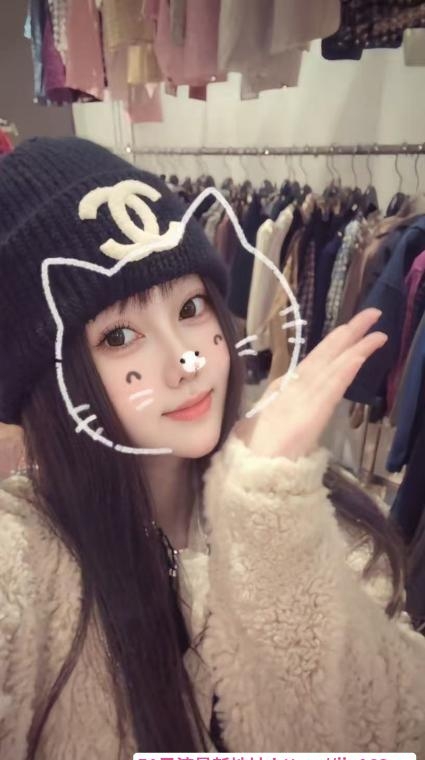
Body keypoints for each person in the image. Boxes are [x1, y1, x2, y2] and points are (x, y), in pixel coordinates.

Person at [0, 137, 424, 760]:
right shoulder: (24, 561)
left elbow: (397, 728)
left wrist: (269, 515)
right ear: (47, 384)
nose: (187, 361)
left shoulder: (318, 510)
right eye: (119, 336)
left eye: (192, 307)